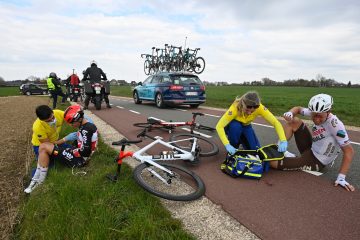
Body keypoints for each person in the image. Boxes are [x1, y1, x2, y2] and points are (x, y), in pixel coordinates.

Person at [270, 93, 355, 192]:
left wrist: (341, 177)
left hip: (317, 161)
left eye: (320, 117)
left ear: (328, 111)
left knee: (272, 163)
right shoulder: (315, 112)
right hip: (311, 148)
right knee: (294, 121)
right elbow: (297, 108)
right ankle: (280, 148)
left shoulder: (336, 125)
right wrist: (290, 113)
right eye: (313, 115)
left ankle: (280, 158)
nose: (316, 119)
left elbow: (349, 151)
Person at [24, 104, 98, 194]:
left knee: (44, 150)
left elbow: (86, 151)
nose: (52, 120)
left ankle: (38, 181)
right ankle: (35, 178)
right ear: (42, 120)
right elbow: (48, 143)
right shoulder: (38, 127)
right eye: (48, 121)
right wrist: (65, 140)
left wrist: (70, 150)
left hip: (79, 159)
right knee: (43, 149)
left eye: (52, 117)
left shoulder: (84, 129)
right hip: (42, 144)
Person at [216, 91, 288, 154]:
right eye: (247, 110)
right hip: (233, 125)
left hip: (246, 126)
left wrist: (283, 140)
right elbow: (219, 126)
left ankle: (242, 140)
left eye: (252, 111)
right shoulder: (235, 108)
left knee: (255, 150)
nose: (250, 113)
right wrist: (227, 145)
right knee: (236, 127)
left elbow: (275, 122)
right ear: (243, 104)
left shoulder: (260, 108)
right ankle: (234, 145)